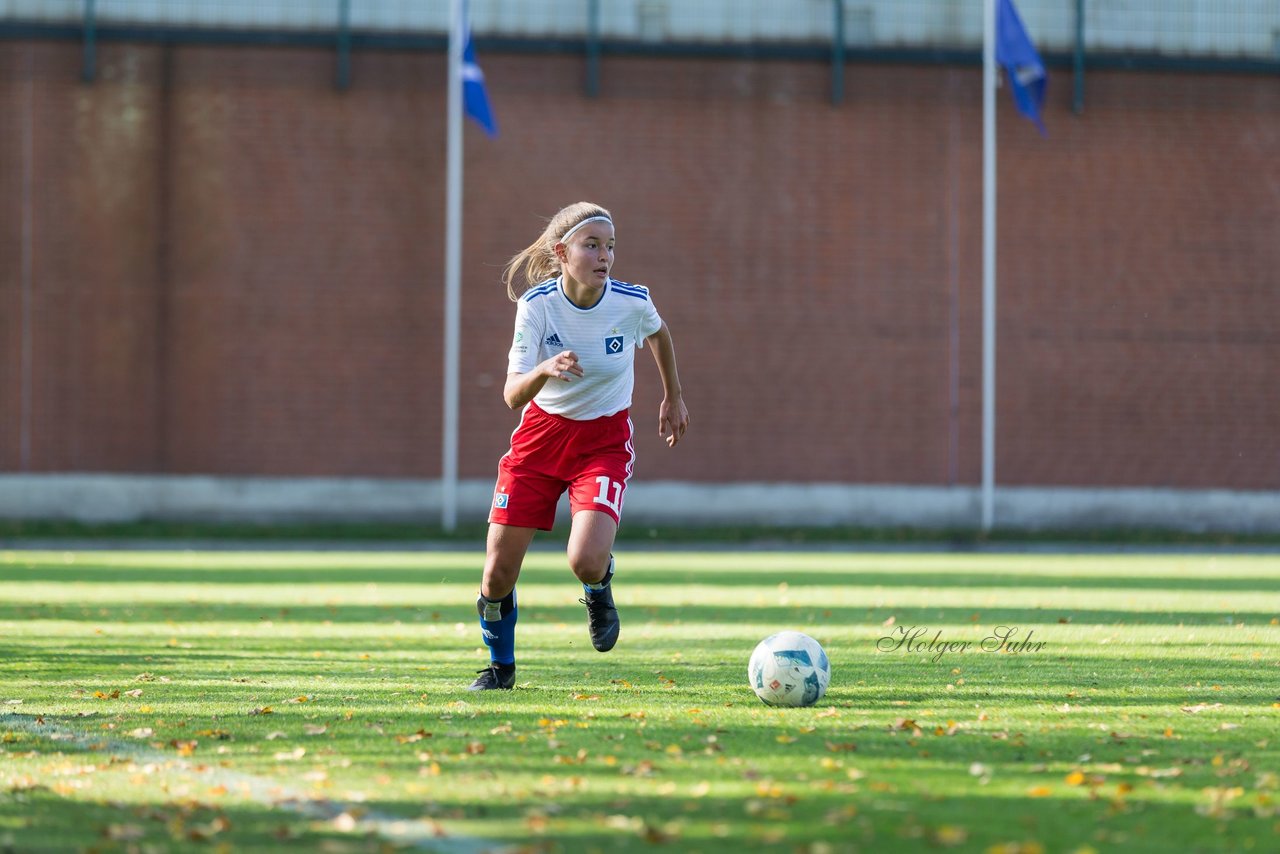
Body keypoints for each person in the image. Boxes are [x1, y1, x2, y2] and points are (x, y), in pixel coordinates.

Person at [469, 202, 689, 690]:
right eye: (592, 245)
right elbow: (510, 396)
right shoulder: (537, 305)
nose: (604, 256)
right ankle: (500, 669)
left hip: (603, 441)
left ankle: (598, 586)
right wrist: (545, 369)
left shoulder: (631, 301)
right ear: (561, 252)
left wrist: (673, 396)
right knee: (496, 578)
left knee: (585, 559)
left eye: (610, 246)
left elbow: (659, 334)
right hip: (539, 440)